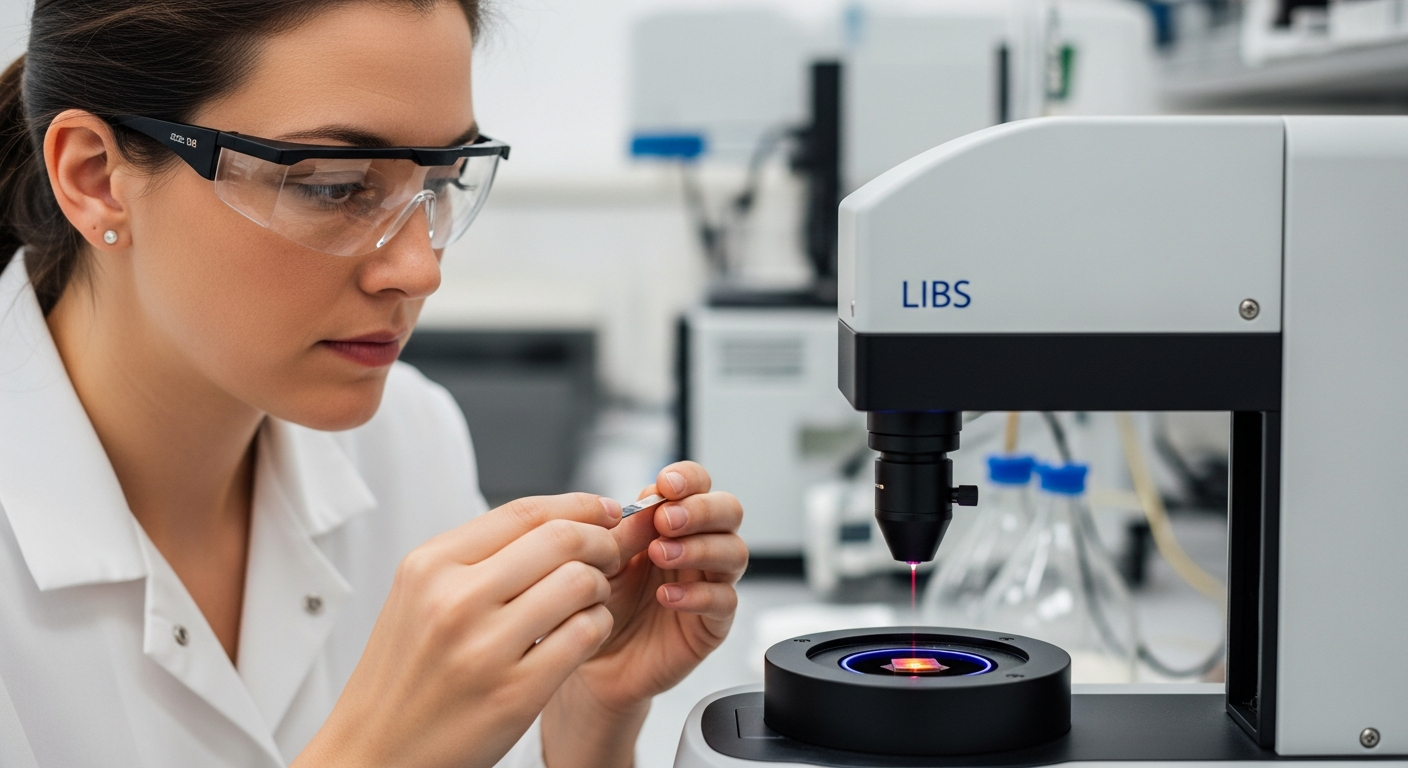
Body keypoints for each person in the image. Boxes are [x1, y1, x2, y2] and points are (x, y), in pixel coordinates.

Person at [0, 1, 748, 766]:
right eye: (332, 186)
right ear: (94, 178)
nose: (421, 269)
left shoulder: (409, 437)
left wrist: (585, 717)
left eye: (445, 178)